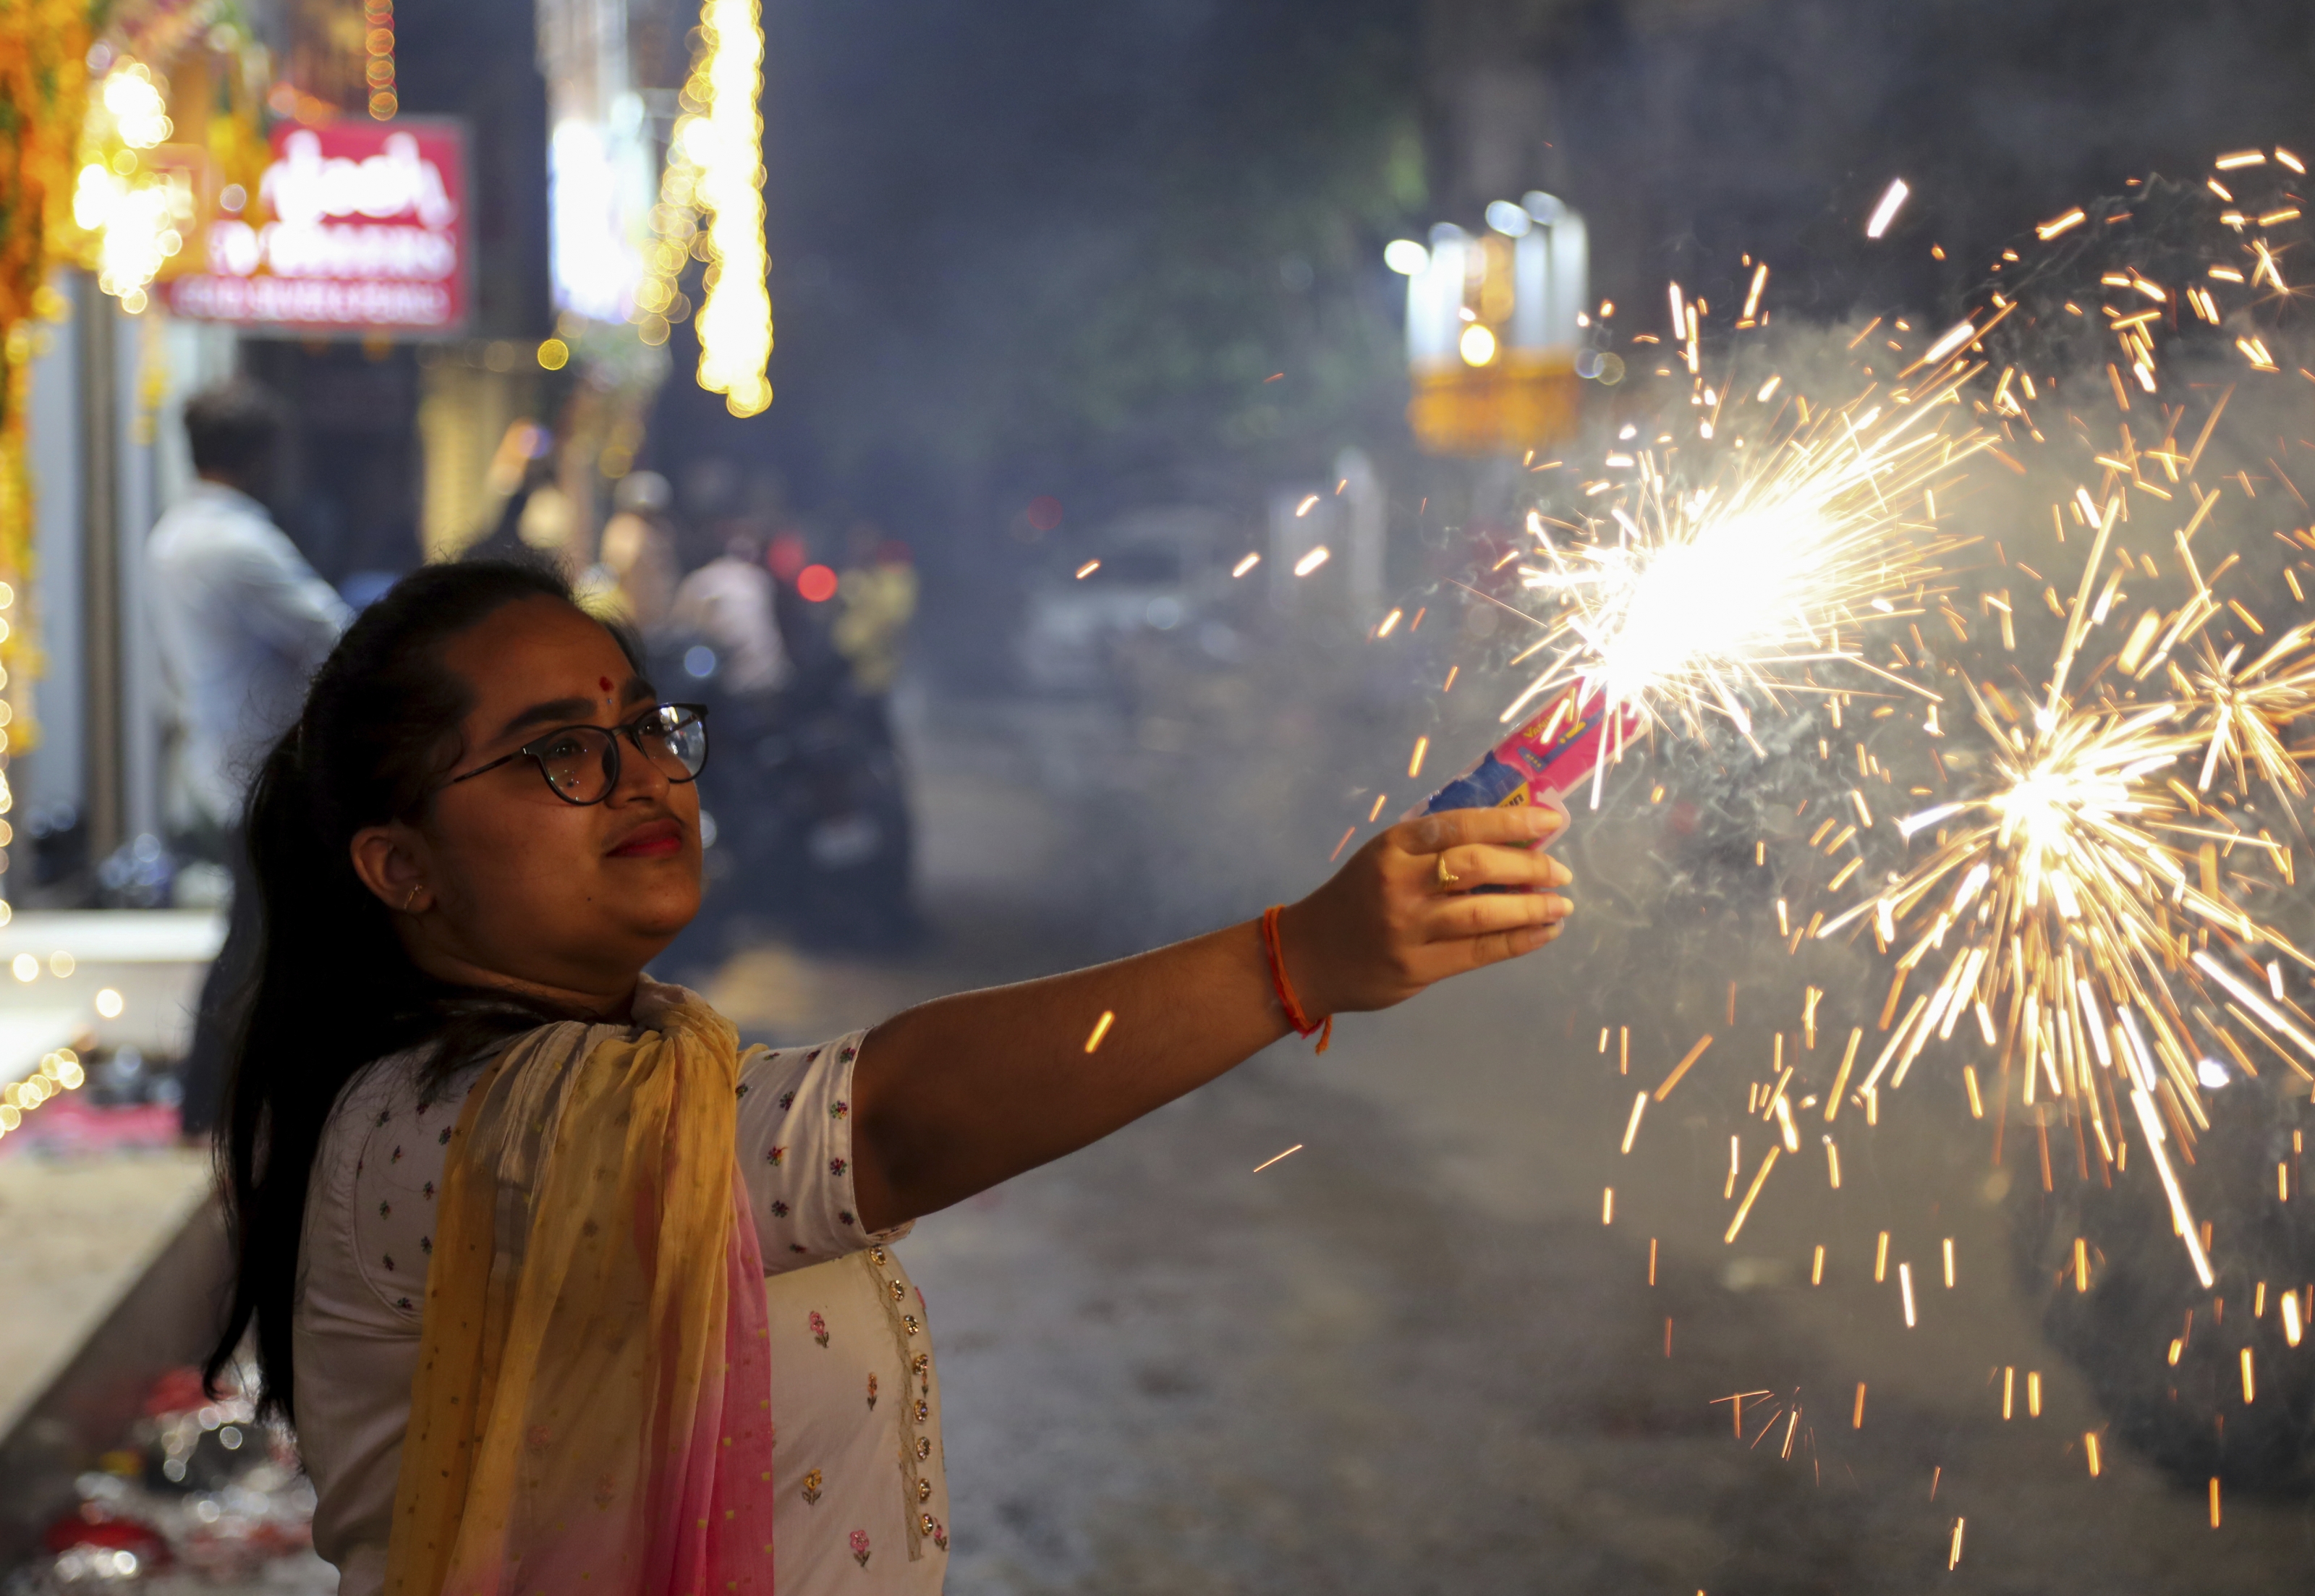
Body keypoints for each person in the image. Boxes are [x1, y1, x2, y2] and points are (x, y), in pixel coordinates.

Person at [206, 561, 1572, 1595]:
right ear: (402, 864)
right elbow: (899, 1122)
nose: (637, 776)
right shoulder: (446, 1127)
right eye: (560, 750)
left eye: (643, 727)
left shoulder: (643, 1056)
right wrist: (1299, 960)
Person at [148, 378, 351, 1136]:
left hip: (225, 758)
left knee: (259, 937)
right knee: (261, 943)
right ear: (261, 455)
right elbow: (336, 636)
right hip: (269, 765)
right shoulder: (239, 542)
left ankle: (214, 1103)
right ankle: (213, 1103)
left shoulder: (172, 535)